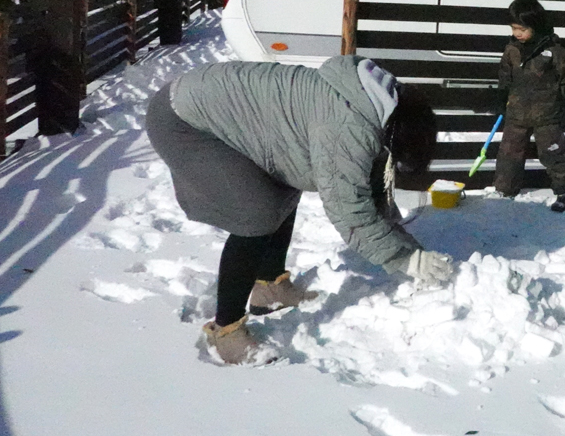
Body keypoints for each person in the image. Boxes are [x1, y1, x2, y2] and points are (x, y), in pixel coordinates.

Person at [145, 55, 455, 365]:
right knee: (256, 215)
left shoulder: (379, 105)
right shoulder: (348, 127)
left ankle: (269, 289)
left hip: (215, 107)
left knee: (283, 187)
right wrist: (406, 259)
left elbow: (370, 192)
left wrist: (408, 249)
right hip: (182, 121)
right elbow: (349, 211)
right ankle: (225, 332)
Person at [494, 0, 565, 212]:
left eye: (522, 29)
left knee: (554, 152)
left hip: (547, 114)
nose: (517, 33)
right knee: (509, 154)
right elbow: (505, 77)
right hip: (516, 113)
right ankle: (505, 190)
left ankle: (564, 190)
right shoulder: (511, 50)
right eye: (514, 28)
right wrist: (501, 98)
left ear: (536, 25)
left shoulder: (555, 52)